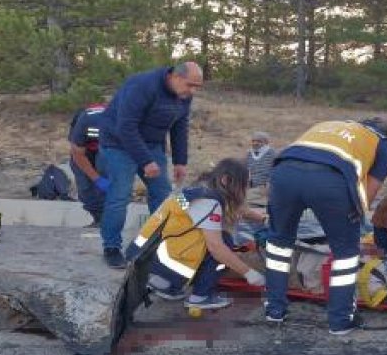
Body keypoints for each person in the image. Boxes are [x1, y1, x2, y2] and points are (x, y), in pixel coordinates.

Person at [263, 117, 387, 334]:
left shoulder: (329, 124)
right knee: (345, 255)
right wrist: (357, 211)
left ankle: (274, 310)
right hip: (330, 182)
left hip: (283, 173)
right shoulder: (383, 144)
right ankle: (341, 320)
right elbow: (372, 186)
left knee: (278, 245)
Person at [98, 61, 203, 268]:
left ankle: (157, 244)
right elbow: (125, 127)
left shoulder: (183, 95)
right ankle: (111, 248)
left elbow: (179, 127)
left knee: (163, 194)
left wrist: (181, 161)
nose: (192, 91)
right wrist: (145, 160)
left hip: (152, 143)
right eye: (190, 85)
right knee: (120, 195)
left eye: (197, 87)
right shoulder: (142, 86)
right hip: (118, 143)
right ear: (175, 76)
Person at [129, 158, 265, 309]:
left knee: (215, 239)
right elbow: (216, 248)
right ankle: (200, 296)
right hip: (159, 266)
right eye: (244, 185)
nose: (246, 190)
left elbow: (238, 208)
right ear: (226, 180)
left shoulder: (200, 189)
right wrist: (249, 273)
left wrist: (262, 218)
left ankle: (168, 281)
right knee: (225, 244)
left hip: (144, 254)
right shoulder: (208, 202)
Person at [68, 103, 110, 227]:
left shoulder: (122, 123)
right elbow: (77, 153)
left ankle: (107, 219)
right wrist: (96, 179)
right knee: (84, 186)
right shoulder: (83, 121)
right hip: (83, 151)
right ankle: (98, 218)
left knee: (104, 168)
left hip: (108, 149)